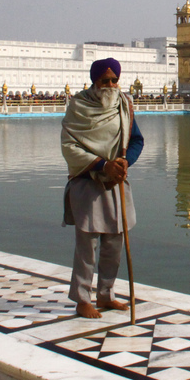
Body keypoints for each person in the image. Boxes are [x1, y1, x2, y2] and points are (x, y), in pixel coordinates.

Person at [61, 58, 144, 318]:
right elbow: (69, 146)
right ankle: (82, 298)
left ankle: (106, 294)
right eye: (104, 81)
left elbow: (137, 140)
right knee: (87, 244)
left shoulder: (124, 105)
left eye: (114, 80)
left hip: (116, 181)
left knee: (114, 242)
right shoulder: (79, 107)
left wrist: (124, 161)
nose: (109, 85)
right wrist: (101, 165)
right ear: (94, 82)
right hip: (88, 182)